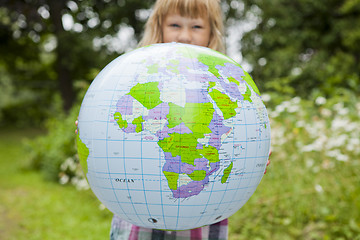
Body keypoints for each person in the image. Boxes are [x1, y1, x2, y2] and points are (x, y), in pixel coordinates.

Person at [77, 0, 270, 239]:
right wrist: (93, 132)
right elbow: (113, 126)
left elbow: (241, 135)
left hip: (203, 213)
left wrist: (252, 154)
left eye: (197, 26)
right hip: (139, 214)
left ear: (212, 32)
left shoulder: (222, 84)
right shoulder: (134, 77)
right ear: (159, 27)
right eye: (175, 24)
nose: (185, 36)